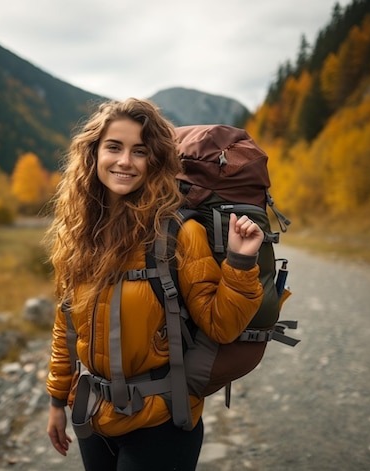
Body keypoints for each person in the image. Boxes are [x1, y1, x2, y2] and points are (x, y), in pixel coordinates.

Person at [45, 98, 264, 471]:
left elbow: (222, 325)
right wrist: (55, 402)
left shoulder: (178, 234)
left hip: (161, 423)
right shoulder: (79, 236)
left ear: (155, 162)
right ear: (93, 153)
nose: (125, 161)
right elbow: (66, 324)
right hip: (93, 417)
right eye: (114, 147)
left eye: (140, 151)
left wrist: (240, 263)